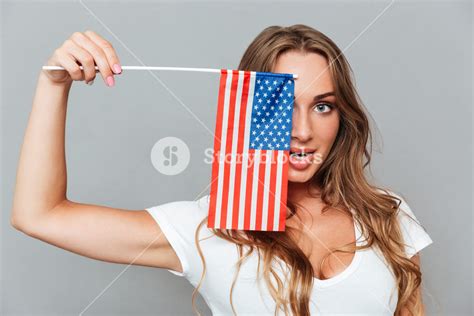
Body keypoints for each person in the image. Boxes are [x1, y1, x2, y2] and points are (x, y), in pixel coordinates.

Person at [10, 24, 433, 316]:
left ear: (343, 116)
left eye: (322, 106)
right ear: (250, 111)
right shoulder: (208, 228)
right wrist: (54, 85)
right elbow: (39, 215)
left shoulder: (388, 215)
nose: (302, 131)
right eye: (280, 105)